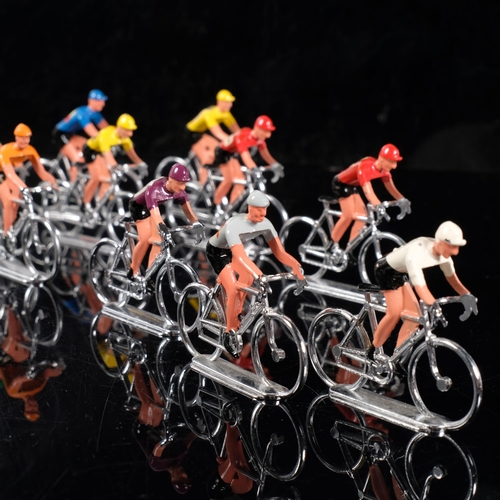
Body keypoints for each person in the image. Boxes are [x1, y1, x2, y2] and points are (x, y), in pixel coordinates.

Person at [206, 190, 305, 357]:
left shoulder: (266, 224)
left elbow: (279, 252)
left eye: (265, 209)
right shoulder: (234, 225)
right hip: (217, 252)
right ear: (249, 208)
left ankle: (235, 312)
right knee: (233, 290)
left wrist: (296, 268)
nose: (263, 213)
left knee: (248, 278)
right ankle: (229, 333)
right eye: (259, 209)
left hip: (232, 250)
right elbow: (241, 256)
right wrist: (260, 274)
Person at [371, 221, 477, 354]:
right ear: (440, 242)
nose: (455, 252)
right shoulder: (416, 254)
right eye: (452, 247)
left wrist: (466, 294)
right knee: (395, 312)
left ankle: (398, 353)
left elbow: (452, 279)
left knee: (414, 316)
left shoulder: (444, 256)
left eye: (457, 247)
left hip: (402, 271)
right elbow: (420, 287)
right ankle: (373, 348)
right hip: (386, 271)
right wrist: (433, 305)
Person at [330, 144, 410, 261]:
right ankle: (332, 245)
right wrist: (378, 205)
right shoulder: (365, 168)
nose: (395, 166)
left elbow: (390, 187)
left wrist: (402, 199)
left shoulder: (384, 170)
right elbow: (368, 192)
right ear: (382, 159)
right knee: (348, 215)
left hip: (352, 186)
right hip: (340, 185)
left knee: (362, 217)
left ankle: (349, 249)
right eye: (392, 162)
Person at [128, 163, 202, 278]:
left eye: (184, 184)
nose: (183, 188)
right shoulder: (154, 190)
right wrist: (163, 228)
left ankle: (149, 275)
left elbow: (188, 211)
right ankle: (133, 269)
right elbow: (156, 215)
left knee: (158, 240)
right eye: (180, 183)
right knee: (145, 239)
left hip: (153, 208)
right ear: (170, 180)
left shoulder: (179, 191)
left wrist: (196, 223)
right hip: (139, 208)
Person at [210, 115, 282, 210]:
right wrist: (254, 169)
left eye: (269, 132)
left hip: (232, 155)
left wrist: (275, 164)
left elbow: (265, 154)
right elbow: (246, 157)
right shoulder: (243, 137)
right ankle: (214, 205)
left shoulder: (259, 140)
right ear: (257, 128)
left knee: (240, 182)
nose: (268, 135)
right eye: (266, 131)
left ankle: (230, 208)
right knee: (229, 180)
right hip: (222, 153)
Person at [81, 113, 146, 216]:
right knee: (96, 177)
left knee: (108, 179)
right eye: (128, 130)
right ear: (120, 128)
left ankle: (99, 203)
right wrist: (115, 167)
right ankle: (85, 203)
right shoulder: (106, 136)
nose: (130, 134)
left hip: (101, 153)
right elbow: (108, 156)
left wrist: (140, 163)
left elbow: (131, 152)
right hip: (91, 151)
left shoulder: (124, 137)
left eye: (131, 131)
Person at [0, 124, 58, 236]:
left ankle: (10, 222)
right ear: (16, 137)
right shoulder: (5, 151)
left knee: (16, 200)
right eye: (22, 138)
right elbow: (10, 174)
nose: (25, 141)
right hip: (3, 174)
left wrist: (54, 183)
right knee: (8, 201)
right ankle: (6, 235)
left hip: (7, 172)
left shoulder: (31, 150)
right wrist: (24, 188)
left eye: (27, 138)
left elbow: (42, 172)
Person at [53, 89, 109, 182]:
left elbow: (107, 129)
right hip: (60, 134)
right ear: (91, 101)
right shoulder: (82, 113)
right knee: (77, 159)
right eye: (100, 101)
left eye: (103, 101)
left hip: (70, 134)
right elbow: (93, 133)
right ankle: (73, 185)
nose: (103, 103)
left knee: (87, 146)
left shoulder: (95, 114)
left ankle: (78, 176)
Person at [186, 89, 240, 183]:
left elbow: (237, 131)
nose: (230, 104)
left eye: (231, 102)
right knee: (207, 159)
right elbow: (218, 133)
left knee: (216, 148)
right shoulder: (209, 114)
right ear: (219, 102)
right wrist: (233, 141)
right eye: (227, 102)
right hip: (191, 134)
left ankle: (211, 174)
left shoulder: (226, 114)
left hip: (200, 134)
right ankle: (202, 184)